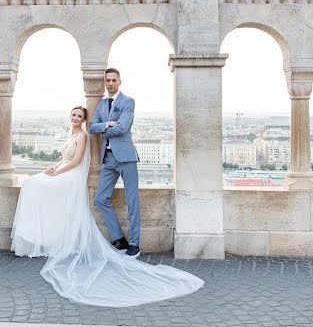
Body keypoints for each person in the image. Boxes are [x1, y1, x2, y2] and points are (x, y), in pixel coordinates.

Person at [11, 105, 204, 307]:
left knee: (130, 200)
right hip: (84, 166)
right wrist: (54, 166)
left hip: (93, 168)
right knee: (84, 195)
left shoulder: (101, 122)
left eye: (79, 116)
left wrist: (58, 172)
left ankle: (133, 244)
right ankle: (115, 239)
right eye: (74, 115)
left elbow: (88, 152)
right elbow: (78, 145)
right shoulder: (82, 125)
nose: (76, 118)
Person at [90, 68, 141, 257]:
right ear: (105, 82)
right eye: (107, 80)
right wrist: (107, 125)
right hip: (108, 159)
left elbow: (123, 128)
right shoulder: (102, 103)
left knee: (132, 200)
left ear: (120, 81)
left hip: (126, 157)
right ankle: (119, 239)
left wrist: (104, 130)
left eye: (113, 80)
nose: (110, 83)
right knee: (100, 198)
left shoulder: (127, 101)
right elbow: (91, 126)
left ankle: (135, 243)